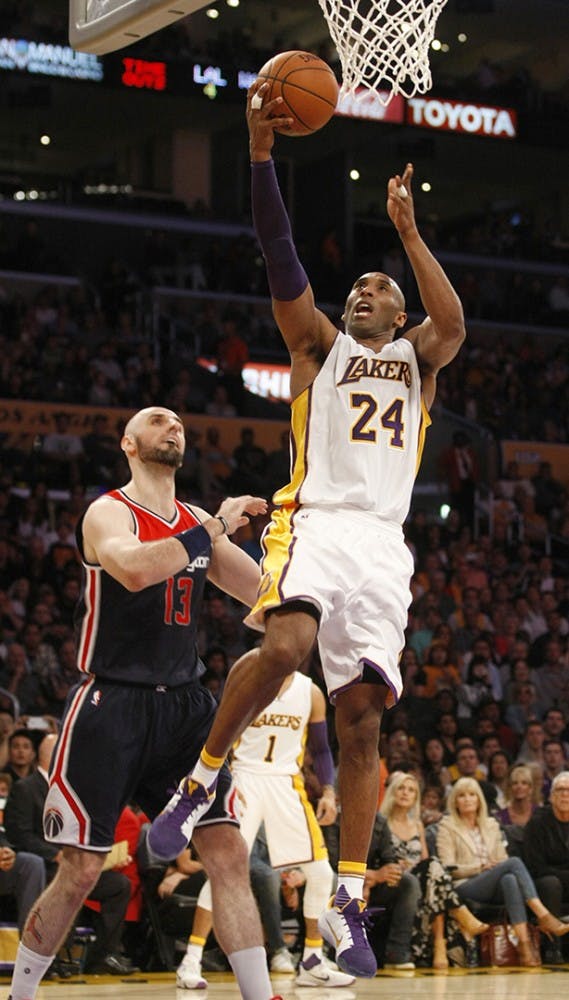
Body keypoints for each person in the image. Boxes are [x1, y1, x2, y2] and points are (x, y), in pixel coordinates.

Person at [148, 76, 466, 981]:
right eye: (356, 286)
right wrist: (259, 153)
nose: (361, 293)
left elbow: (452, 323)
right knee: (286, 645)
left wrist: (409, 236)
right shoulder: (317, 348)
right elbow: (279, 252)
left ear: (397, 314)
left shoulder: (419, 361)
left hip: (384, 545)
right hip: (315, 520)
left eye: (377, 289)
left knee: (361, 725)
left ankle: (347, 900)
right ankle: (199, 780)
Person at [8, 406, 275, 1000]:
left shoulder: (198, 521)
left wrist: (313, 560)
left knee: (228, 853)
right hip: (112, 703)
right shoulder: (109, 511)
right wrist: (215, 528)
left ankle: (260, 995)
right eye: (157, 420)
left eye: (178, 422)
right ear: (128, 443)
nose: (173, 426)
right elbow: (131, 570)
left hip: (185, 710)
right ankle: (20, 994)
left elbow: (262, 595)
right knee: (80, 869)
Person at [177, 671, 353, 989]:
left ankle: (312, 961)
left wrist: (328, 790)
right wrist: (224, 780)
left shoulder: (310, 692)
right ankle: (191, 958)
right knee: (224, 872)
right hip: (244, 777)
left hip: (287, 783)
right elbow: (216, 735)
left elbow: (322, 749)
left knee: (321, 873)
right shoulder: (249, 678)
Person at [436, 777, 569, 967]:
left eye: (472, 795)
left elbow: (502, 858)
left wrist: (495, 866)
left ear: (479, 799)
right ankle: (543, 915)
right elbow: (447, 868)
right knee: (514, 863)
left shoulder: (490, 824)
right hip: (464, 885)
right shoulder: (447, 826)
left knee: (510, 879)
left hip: (494, 881)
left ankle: (524, 946)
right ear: (454, 801)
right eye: (461, 796)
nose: (467, 799)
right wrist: (480, 867)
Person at [379, 771, 488, 969]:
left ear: (416, 797)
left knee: (433, 871)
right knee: (433, 873)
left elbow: (425, 859)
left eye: (411, 790)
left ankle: (440, 944)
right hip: (393, 879)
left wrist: (413, 867)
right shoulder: (382, 822)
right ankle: (453, 925)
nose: (405, 793)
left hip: (418, 877)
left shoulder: (417, 825)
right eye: (401, 788)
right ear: (392, 792)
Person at [523, 771, 569, 963]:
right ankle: (552, 946)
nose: (565, 795)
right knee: (551, 884)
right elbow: (535, 867)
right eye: (560, 790)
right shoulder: (537, 823)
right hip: (544, 882)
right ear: (551, 796)